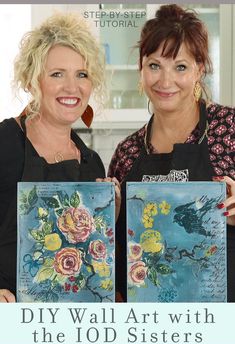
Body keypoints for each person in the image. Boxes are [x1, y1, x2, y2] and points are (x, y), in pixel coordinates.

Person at [108, 4, 235, 302]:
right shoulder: (127, 152)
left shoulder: (229, 129)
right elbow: (112, 247)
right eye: (154, 66)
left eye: (180, 66)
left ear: (199, 69)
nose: (165, 82)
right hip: (148, 323)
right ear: (141, 68)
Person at [0, 12, 118, 302]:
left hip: (68, 323)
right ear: (31, 80)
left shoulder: (92, 163)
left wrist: (108, 216)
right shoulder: (4, 142)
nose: (72, 87)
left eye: (82, 74)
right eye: (56, 74)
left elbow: (87, 259)